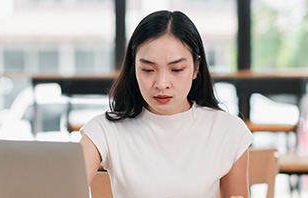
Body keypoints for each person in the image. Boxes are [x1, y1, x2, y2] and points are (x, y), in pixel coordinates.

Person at [80, 10, 253, 198]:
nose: (161, 84)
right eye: (148, 70)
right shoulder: (104, 130)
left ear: (196, 68)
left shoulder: (227, 130)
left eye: (176, 69)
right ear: (133, 68)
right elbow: (62, 187)